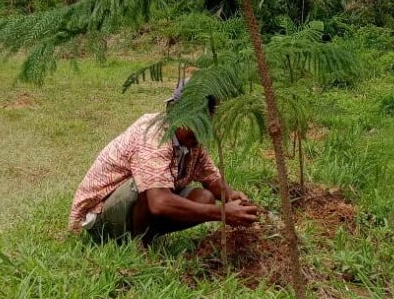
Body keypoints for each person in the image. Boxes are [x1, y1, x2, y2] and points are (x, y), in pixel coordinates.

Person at [68, 83, 258, 244]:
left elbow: (210, 177)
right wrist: (223, 213)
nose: (200, 131)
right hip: (99, 218)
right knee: (149, 187)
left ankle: (145, 236)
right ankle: (137, 246)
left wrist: (230, 196)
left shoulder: (191, 140)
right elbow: (159, 202)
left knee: (204, 198)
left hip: (127, 210)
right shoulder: (153, 135)